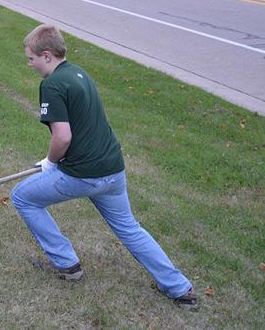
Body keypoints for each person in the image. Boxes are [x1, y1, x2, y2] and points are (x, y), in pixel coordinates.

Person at [11, 24, 198, 310]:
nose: (29, 64)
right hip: (113, 168)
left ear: (46, 55)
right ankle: (180, 289)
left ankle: (67, 264)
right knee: (130, 228)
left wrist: (50, 163)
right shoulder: (79, 73)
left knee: (23, 197)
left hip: (85, 174)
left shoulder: (51, 85)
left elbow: (62, 136)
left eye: (31, 58)